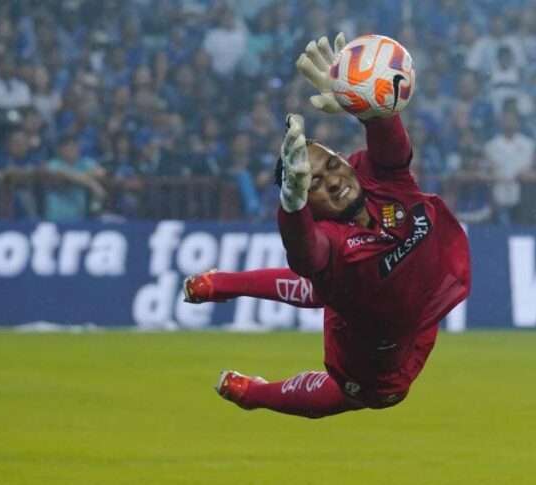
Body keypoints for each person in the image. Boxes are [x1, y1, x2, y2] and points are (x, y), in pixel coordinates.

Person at [183, 33, 471, 419]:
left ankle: (220, 284)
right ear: (311, 207)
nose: (333, 179)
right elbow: (304, 251)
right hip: (375, 349)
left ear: (347, 160)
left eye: (332, 165)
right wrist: (293, 201)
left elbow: (391, 143)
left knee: (321, 289)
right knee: (363, 394)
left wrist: (364, 103)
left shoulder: (379, 176)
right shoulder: (331, 242)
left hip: (420, 306)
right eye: (314, 182)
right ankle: (256, 394)